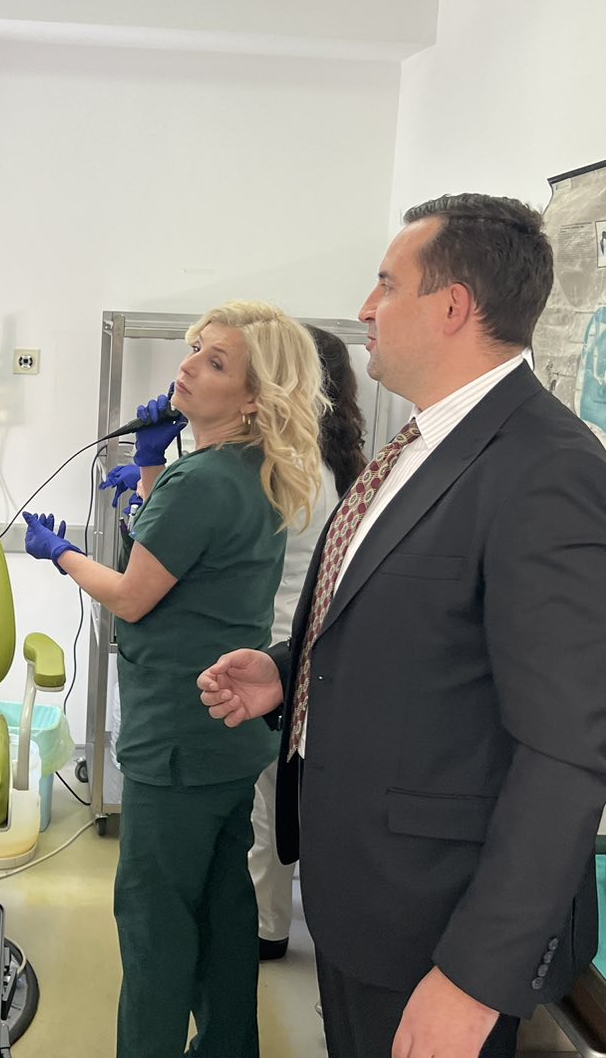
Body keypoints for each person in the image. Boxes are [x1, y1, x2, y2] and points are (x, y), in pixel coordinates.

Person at [198, 195, 606, 1058]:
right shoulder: (422, 447)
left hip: (437, 926)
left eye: (386, 285)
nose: (366, 308)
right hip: (361, 894)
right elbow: (412, 625)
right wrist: (289, 669)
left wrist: (474, 978)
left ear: (453, 306)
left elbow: (565, 756)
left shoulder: (549, 475)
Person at [23, 301, 324, 1058]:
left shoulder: (203, 482)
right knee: (223, 912)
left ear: (253, 397)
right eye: (194, 350)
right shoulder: (252, 471)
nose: (186, 367)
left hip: (177, 740)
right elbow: (183, 557)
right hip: (229, 737)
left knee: (155, 922)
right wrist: (156, 467)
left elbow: (133, 594)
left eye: (215, 362)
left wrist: (59, 553)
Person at [249, 325, 366, 962]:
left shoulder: (289, 471)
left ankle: (266, 929)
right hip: (305, 649)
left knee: (269, 802)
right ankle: (274, 917)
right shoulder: (338, 463)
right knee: (282, 798)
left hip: (276, 651)